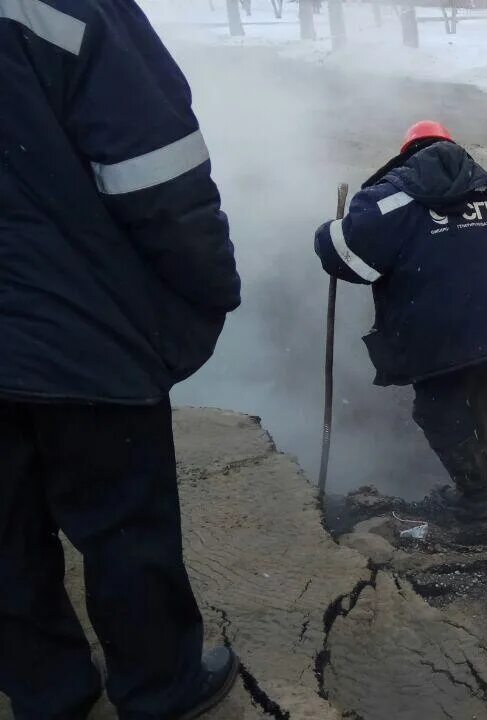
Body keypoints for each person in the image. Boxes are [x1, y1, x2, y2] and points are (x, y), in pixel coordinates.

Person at [0, 1, 242, 718]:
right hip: (80, 334)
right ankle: (159, 687)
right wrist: (210, 288)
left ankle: (46, 693)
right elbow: (156, 174)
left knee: (3, 538)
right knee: (124, 528)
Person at [315, 122, 487, 519]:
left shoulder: (388, 201)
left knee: (439, 408)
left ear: (407, 155)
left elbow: (342, 254)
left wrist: (325, 232)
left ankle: (476, 496)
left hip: (432, 330)